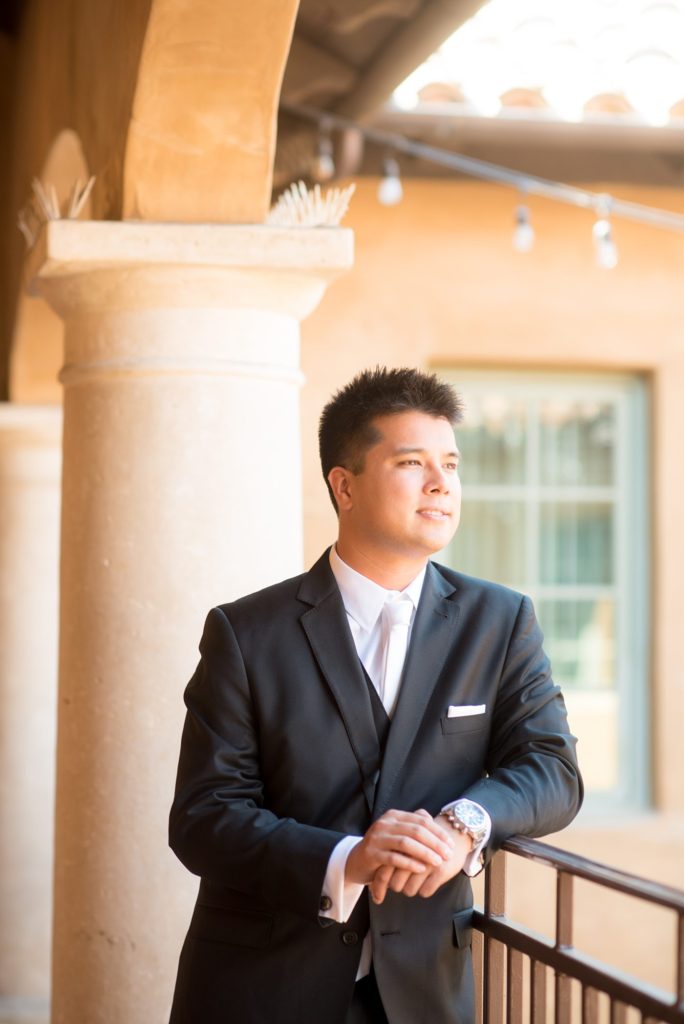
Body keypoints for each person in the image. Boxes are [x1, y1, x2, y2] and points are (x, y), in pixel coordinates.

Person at [168, 366, 582, 1024]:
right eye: (412, 462)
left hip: (423, 991)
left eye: (450, 463)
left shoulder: (500, 622)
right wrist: (345, 858)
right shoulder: (245, 633)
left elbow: (552, 767)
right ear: (346, 484)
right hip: (262, 987)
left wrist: (464, 825)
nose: (442, 483)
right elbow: (204, 817)